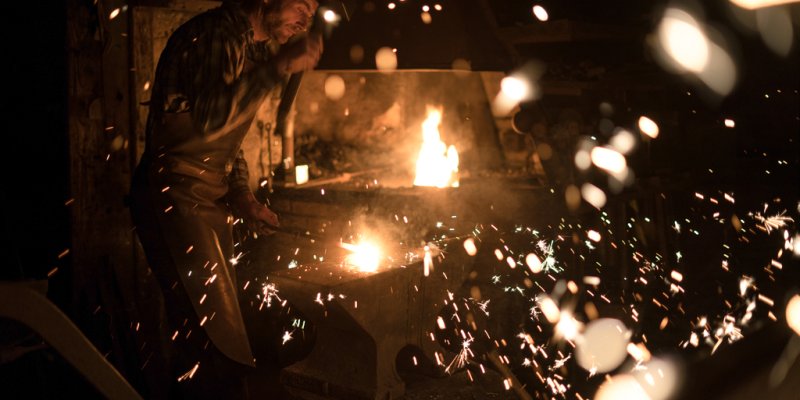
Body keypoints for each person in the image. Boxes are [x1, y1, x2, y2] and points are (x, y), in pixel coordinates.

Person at [129, 0, 322, 398]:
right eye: (301, 6)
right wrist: (279, 66)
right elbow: (211, 118)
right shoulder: (218, 34)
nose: (306, 21)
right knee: (208, 343)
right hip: (172, 198)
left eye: (313, 12)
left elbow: (228, 139)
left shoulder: (252, 48)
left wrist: (242, 196)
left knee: (222, 333)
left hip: (205, 202)